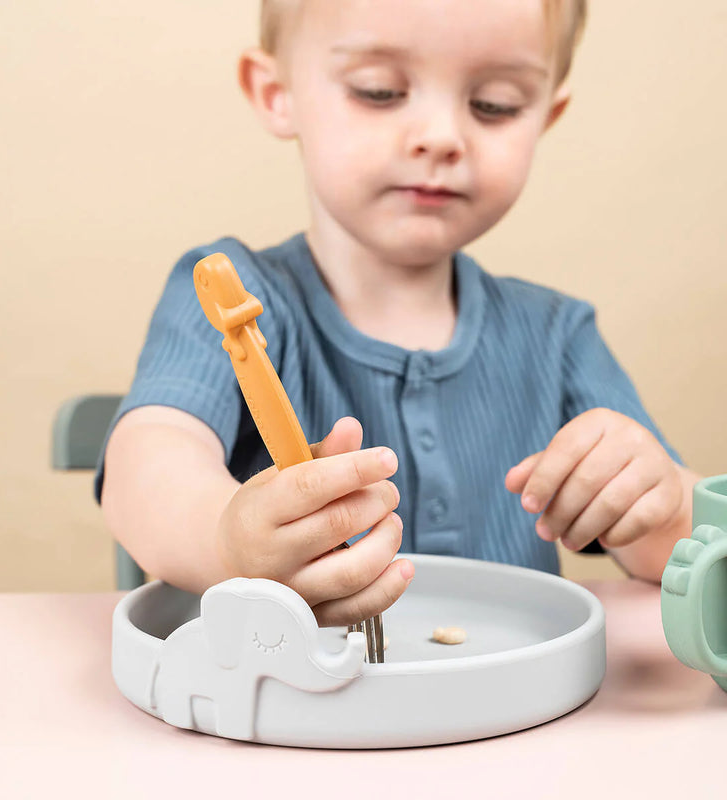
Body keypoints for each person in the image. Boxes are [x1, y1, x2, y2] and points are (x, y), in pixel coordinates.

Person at [97, 0, 700, 626]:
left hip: (520, 719)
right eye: (379, 91)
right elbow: (146, 466)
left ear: (548, 116)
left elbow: (677, 551)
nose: (440, 137)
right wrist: (228, 543)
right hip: (287, 715)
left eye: (493, 103)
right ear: (278, 93)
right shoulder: (233, 298)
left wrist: (666, 506)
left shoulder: (557, 333)